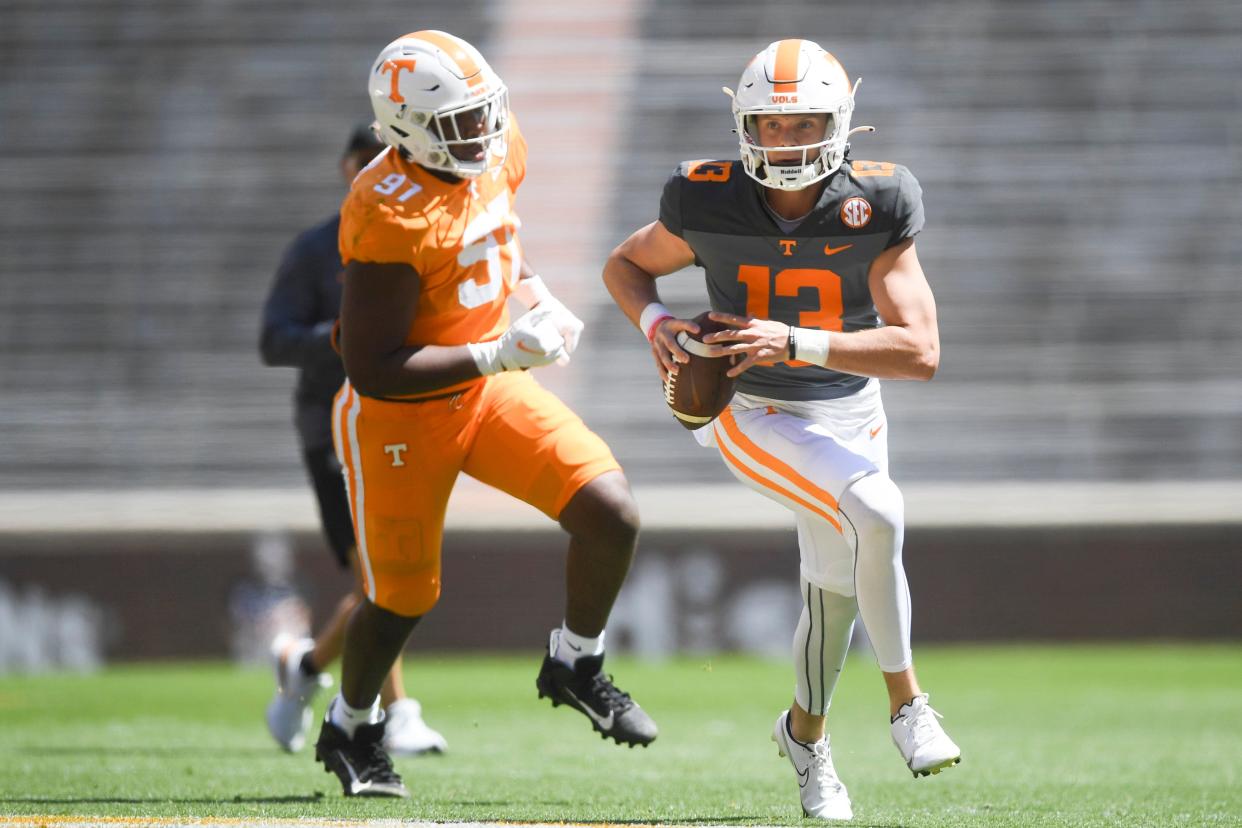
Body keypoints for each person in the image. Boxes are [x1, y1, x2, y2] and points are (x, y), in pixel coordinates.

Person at [603, 39, 960, 821]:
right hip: (748, 404)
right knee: (878, 512)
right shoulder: (704, 197)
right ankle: (908, 706)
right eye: (770, 125)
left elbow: (921, 353)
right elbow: (626, 266)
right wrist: (657, 319)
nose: (786, 142)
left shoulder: (881, 200)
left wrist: (794, 338)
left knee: (834, 588)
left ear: (840, 125)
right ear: (744, 126)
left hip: (849, 406)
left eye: (804, 126)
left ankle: (806, 739)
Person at [312, 29, 657, 799]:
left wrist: (532, 294)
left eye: (485, 113)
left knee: (611, 510)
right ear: (404, 128)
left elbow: (495, 238)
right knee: (402, 597)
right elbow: (371, 366)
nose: (482, 133)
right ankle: (351, 725)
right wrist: (499, 353)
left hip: (483, 388)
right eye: (459, 122)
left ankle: (576, 662)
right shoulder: (386, 211)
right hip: (399, 415)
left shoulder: (496, 149)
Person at [259, 124, 447, 758]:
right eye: (368, 161)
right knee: (383, 574)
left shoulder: (427, 233)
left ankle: (307, 668)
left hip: (405, 420)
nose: (381, 171)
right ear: (347, 169)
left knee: (393, 574)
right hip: (334, 429)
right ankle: (397, 713)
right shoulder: (317, 249)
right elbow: (273, 339)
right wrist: (346, 339)